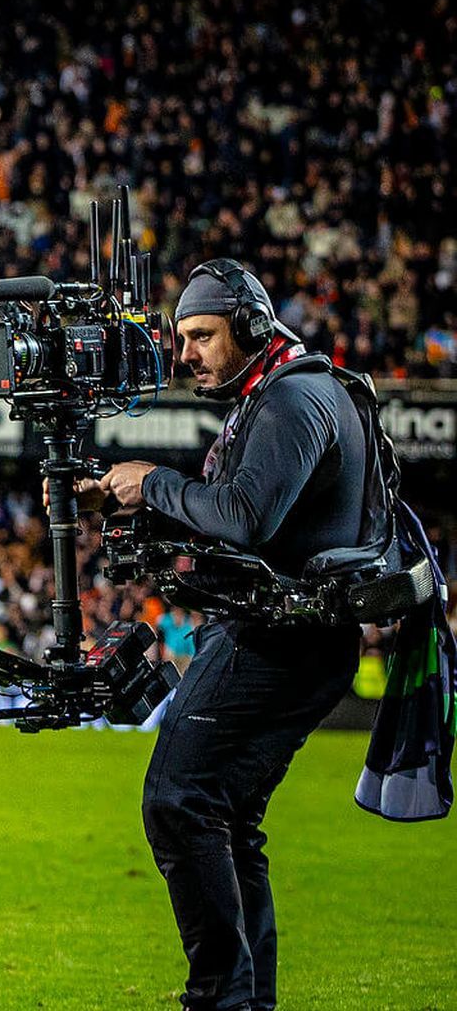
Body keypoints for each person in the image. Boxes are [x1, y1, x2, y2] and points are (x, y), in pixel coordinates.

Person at [77, 259, 371, 1011]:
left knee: (177, 799)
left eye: (202, 335)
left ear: (250, 326)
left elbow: (245, 516)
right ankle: (246, 1002)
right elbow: (245, 516)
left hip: (277, 642)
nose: (186, 354)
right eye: (182, 338)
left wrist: (157, 483)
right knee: (226, 819)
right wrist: (136, 497)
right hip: (289, 640)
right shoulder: (289, 391)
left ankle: (219, 999)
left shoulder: (295, 398)